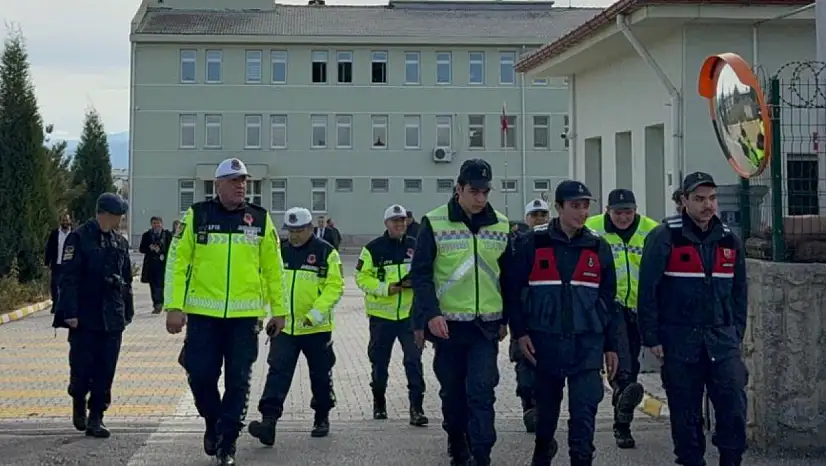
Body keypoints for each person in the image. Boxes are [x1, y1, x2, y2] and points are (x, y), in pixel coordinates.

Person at [164, 158, 286, 466]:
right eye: (233, 180)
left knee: (239, 381)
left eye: (243, 180)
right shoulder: (198, 215)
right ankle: (213, 421)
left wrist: (279, 311)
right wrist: (174, 306)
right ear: (217, 185)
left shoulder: (260, 219)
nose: (240, 185)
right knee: (201, 375)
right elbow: (177, 263)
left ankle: (227, 442)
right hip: (203, 316)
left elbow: (274, 269)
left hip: (245, 319)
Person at [507, 180, 622, 466]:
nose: (581, 212)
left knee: (584, 414)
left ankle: (581, 458)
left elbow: (608, 300)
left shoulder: (597, 245)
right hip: (545, 343)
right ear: (558, 208)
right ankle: (543, 450)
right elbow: (512, 290)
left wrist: (611, 345)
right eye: (574, 206)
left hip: (586, 344)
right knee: (545, 416)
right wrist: (519, 333)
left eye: (585, 206)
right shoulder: (533, 242)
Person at [638, 172, 748, 466]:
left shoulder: (729, 239)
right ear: (684, 201)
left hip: (721, 341)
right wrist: (652, 337)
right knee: (686, 417)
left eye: (711, 198)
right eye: (699, 199)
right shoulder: (665, 237)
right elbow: (648, 290)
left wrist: (736, 333)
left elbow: (739, 293)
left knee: (734, 408)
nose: (707, 205)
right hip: (680, 341)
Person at [410, 158, 513, 466]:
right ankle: (458, 445)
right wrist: (430, 315)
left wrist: (507, 319)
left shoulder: (501, 224)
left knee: (482, 391)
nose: (481, 198)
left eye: (485, 192)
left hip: (486, 327)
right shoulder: (435, 221)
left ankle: (482, 455)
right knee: (453, 395)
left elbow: (508, 277)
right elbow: (421, 274)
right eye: (474, 191)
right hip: (449, 327)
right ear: (459, 189)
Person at [248, 206, 344, 446]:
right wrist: (263, 314)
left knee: (320, 376)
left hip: (315, 328)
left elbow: (335, 287)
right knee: (277, 374)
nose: (294, 235)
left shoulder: (326, 252)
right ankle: (268, 422)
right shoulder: (280, 251)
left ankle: (321, 416)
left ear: (310, 228)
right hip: (285, 328)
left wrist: (315, 314)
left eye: (299, 230)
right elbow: (266, 282)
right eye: (290, 230)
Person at [52, 193, 133, 438]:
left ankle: (96, 415)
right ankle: (78, 397)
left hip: (112, 317)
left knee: (106, 369)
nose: (119, 222)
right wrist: (70, 313)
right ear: (104, 215)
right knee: (82, 367)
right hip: (85, 316)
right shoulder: (79, 238)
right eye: (117, 217)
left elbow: (127, 279)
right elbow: (68, 278)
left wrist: (127, 311)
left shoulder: (119, 242)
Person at [585, 189, 658, 449]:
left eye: (628, 211)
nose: (624, 217)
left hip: (640, 307)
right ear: (608, 211)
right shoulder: (592, 229)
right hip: (609, 306)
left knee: (632, 367)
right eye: (618, 212)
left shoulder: (652, 230)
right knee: (622, 363)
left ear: (635, 210)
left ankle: (622, 408)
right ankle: (621, 414)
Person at [355, 204, 427, 426]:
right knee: (379, 363)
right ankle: (379, 404)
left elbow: (426, 273)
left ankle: (416, 409)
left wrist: (413, 283)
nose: (399, 224)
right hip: (381, 318)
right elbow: (361, 278)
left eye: (402, 220)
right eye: (395, 221)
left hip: (409, 317)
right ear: (386, 223)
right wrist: (387, 288)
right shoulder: (373, 248)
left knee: (414, 362)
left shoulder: (416, 246)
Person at [509, 198, 551, 434]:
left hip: (546, 316)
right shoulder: (516, 243)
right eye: (535, 215)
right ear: (526, 218)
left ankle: (543, 408)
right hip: (523, 315)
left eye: (543, 215)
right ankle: (529, 407)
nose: (539, 219)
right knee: (525, 364)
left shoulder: (553, 242)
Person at [139, 216, 172, 314]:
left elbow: (172, 249)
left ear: (161, 224)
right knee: (153, 286)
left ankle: (162, 303)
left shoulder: (167, 235)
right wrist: (150, 248)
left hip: (163, 264)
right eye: (154, 223)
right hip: (151, 265)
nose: (156, 225)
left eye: (158, 223)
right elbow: (141, 249)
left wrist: (162, 251)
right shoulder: (147, 235)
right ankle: (157, 304)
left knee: (162, 285)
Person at [44, 212, 73, 312]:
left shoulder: (74, 234)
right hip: (58, 263)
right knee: (55, 285)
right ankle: (55, 304)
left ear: (70, 221)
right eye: (63, 220)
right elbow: (49, 248)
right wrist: (47, 262)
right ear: (60, 221)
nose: (65, 222)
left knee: (69, 285)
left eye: (67, 220)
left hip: (71, 265)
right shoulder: (55, 234)